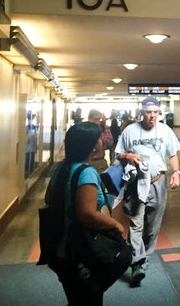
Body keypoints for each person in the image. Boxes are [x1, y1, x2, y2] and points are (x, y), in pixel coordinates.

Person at [47, 121, 126, 305]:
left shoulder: (60, 168)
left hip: (61, 247)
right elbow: (87, 214)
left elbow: (50, 199)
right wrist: (116, 224)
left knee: (76, 297)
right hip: (81, 249)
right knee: (89, 298)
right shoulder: (86, 172)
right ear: (91, 145)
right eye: (99, 138)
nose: (102, 141)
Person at [115, 96, 180, 286]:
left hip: (157, 182)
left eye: (155, 112)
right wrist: (128, 155)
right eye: (148, 112)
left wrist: (176, 172)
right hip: (136, 184)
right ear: (142, 112)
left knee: (152, 228)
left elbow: (173, 154)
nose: (152, 116)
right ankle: (138, 264)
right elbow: (118, 153)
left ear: (159, 113)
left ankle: (143, 257)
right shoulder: (130, 131)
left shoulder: (165, 130)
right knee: (136, 224)